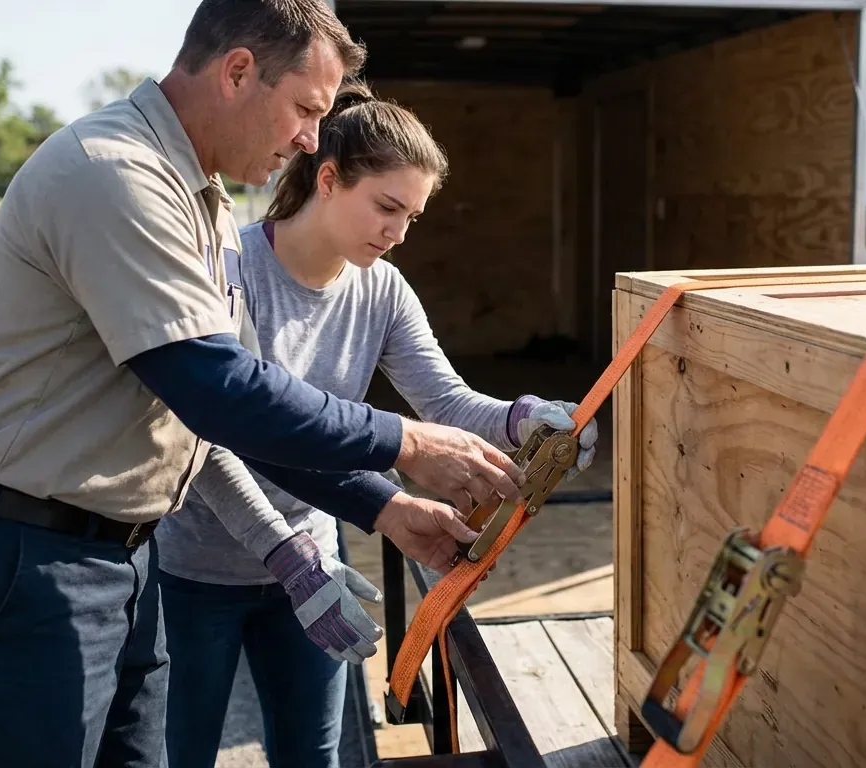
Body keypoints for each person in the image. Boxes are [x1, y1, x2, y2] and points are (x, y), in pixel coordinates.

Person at [0, 2, 532, 766]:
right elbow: (219, 390)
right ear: (238, 71)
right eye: (305, 108)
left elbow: (233, 418)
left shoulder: (195, 196)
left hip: (118, 561)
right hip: (26, 558)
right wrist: (402, 442)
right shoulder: (116, 175)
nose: (310, 137)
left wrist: (383, 507)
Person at [155, 80, 599, 768]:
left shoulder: (382, 288)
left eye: (412, 218)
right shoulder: (230, 269)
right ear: (327, 179)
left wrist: (524, 418)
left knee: (313, 754)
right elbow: (212, 436)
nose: (396, 233)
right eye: (386, 207)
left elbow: (445, 404)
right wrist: (286, 553)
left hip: (317, 564)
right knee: (180, 753)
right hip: (197, 571)